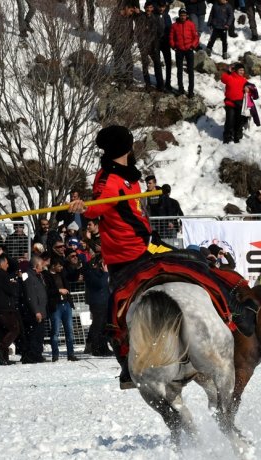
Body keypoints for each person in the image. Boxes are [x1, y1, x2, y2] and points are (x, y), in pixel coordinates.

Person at [68, 125, 153, 387]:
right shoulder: (108, 178)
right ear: (126, 146)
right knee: (117, 313)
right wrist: (83, 208)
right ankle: (127, 364)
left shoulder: (130, 176)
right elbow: (98, 207)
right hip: (124, 254)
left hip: (143, 245)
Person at [44, 256, 77, 362]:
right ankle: (55, 354)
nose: (61, 268)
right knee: (55, 331)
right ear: (53, 266)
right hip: (55, 305)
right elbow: (47, 291)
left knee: (69, 331)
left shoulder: (62, 274)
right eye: (59, 266)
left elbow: (72, 276)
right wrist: (58, 290)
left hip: (66, 304)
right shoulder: (46, 276)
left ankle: (71, 354)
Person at [83, 255, 113, 356]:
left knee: (105, 327)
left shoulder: (102, 273)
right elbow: (100, 284)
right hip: (97, 304)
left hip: (106, 302)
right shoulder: (90, 273)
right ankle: (96, 348)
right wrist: (105, 273)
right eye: (102, 262)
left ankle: (104, 348)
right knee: (98, 326)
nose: (104, 265)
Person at [21, 254, 47, 363]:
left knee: (39, 334)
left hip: (41, 309)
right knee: (34, 334)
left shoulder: (37, 276)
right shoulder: (28, 276)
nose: (43, 267)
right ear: (36, 265)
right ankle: (32, 355)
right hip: (34, 312)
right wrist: (36, 311)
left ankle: (37, 354)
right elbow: (30, 295)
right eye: (41, 265)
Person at [135, 0, 164, 90]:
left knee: (157, 64)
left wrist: (156, 43)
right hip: (144, 44)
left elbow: (160, 31)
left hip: (153, 44)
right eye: (147, 7)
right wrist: (141, 42)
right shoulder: (140, 17)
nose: (149, 9)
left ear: (153, 8)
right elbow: (137, 31)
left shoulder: (156, 17)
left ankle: (160, 84)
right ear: (145, 8)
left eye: (150, 7)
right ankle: (147, 83)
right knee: (145, 64)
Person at [170, 7, 198, 97]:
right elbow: (171, 37)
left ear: (187, 16)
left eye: (184, 15)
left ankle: (190, 91)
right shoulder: (174, 25)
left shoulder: (191, 24)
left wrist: (193, 46)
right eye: (181, 15)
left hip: (189, 49)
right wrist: (173, 46)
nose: (183, 17)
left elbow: (196, 37)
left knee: (190, 70)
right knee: (179, 70)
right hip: (179, 50)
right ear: (179, 16)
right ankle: (180, 89)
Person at [107, 1, 136, 87]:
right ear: (126, 8)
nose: (131, 13)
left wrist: (130, 41)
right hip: (117, 43)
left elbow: (131, 30)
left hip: (126, 43)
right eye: (131, 11)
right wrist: (115, 41)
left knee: (129, 62)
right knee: (118, 61)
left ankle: (129, 81)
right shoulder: (116, 16)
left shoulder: (129, 18)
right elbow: (111, 29)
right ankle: (119, 80)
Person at [221, 62, 249, 143]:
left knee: (239, 121)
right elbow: (223, 79)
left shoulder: (244, 80)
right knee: (229, 121)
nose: (242, 72)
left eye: (243, 70)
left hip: (240, 104)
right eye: (240, 70)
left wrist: (248, 90)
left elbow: (250, 91)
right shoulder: (229, 77)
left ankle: (238, 136)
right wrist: (228, 71)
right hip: (230, 104)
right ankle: (227, 138)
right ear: (236, 70)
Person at [157, 0, 173, 93]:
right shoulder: (155, 16)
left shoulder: (167, 16)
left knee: (168, 63)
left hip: (166, 42)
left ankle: (168, 82)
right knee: (158, 63)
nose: (161, 8)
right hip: (157, 42)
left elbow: (170, 29)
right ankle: (160, 83)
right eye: (160, 6)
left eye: (163, 7)